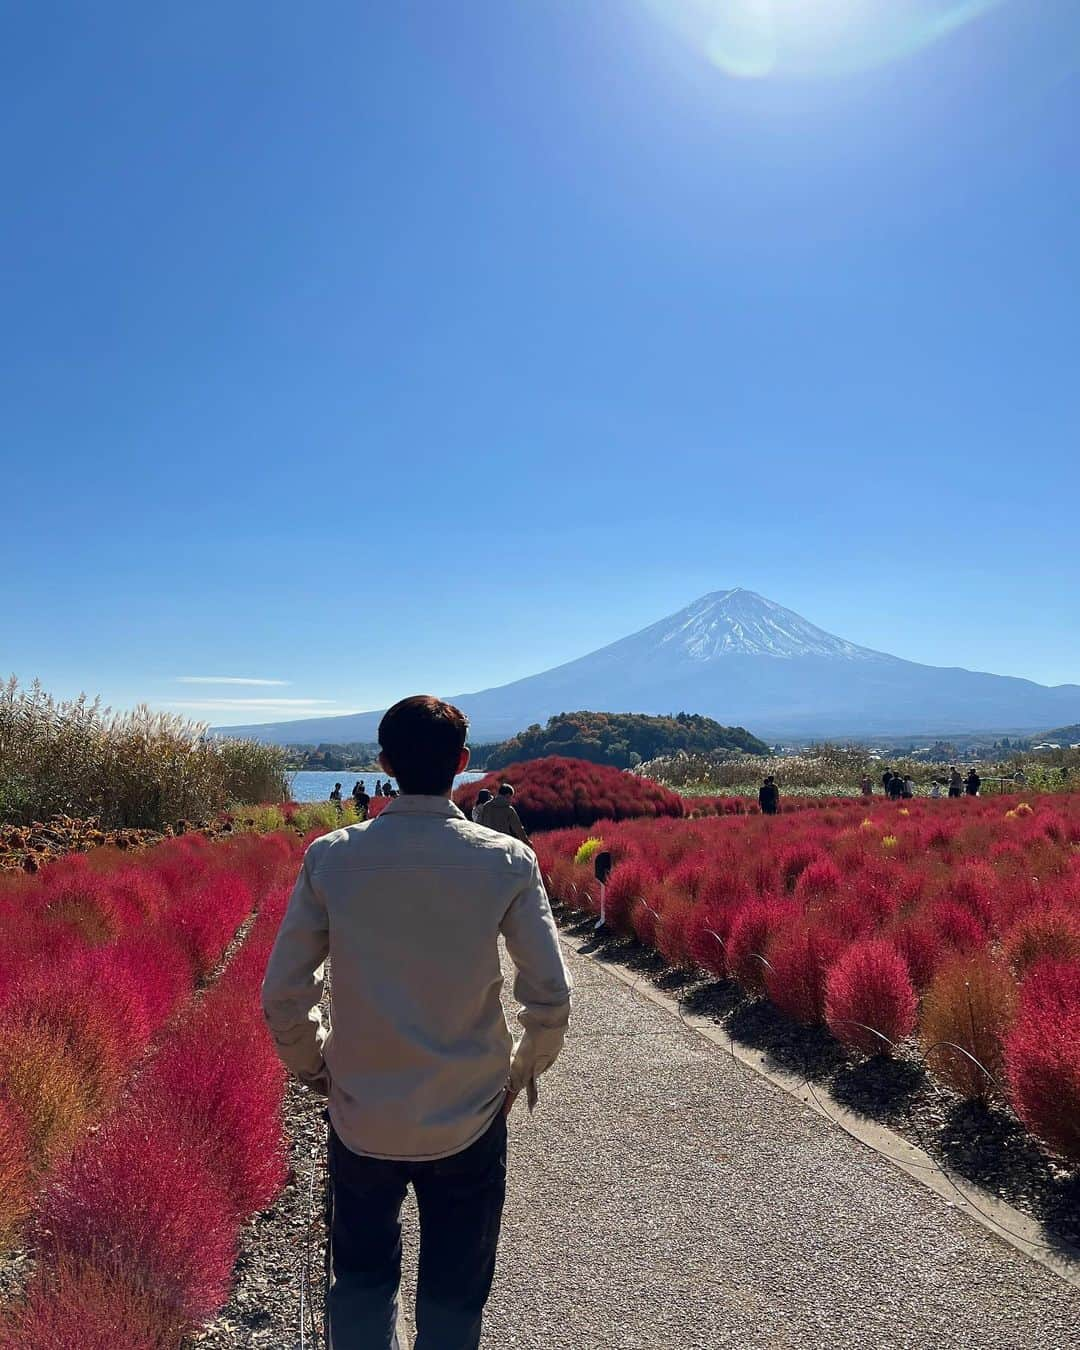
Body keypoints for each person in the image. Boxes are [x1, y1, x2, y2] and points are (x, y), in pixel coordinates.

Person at [262, 695, 571, 1350]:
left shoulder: (330, 858)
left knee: (363, 1286)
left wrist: (317, 1066)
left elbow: (285, 995)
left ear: (384, 764)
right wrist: (518, 1072)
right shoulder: (505, 861)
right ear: (462, 764)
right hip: (470, 1114)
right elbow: (550, 997)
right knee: (455, 1297)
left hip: (361, 1112)